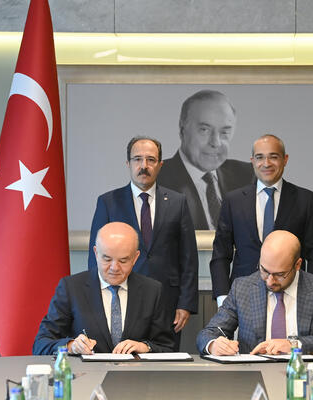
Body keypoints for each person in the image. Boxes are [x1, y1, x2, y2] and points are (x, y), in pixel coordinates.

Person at [87, 137, 198, 350]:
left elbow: (188, 258)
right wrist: (96, 302)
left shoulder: (178, 202)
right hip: (120, 298)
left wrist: (185, 304)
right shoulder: (108, 202)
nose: (144, 166)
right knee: (120, 357)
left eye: (150, 160)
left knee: (162, 358)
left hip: (167, 302)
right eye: (137, 159)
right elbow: (97, 257)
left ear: (160, 164)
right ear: (128, 163)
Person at [210, 134, 313, 305]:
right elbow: (221, 253)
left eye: (273, 157)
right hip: (243, 297)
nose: (266, 163)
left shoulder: (305, 200)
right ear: (252, 161)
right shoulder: (233, 201)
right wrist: (223, 297)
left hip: (292, 296)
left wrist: (312, 296)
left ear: (285, 159)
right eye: (260, 157)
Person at [197, 230, 313, 357]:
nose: (270, 281)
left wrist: (294, 345)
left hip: (304, 376)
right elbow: (208, 333)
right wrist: (213, 345)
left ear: (297, 265)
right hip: (253, 376)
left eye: (279, 274)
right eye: (264, 270)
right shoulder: (242, 288)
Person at [33, 222, 174, 355]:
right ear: (96, 253)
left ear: (135, 258)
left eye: (123, 261)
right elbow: (41, 344)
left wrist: (145, 347)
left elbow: (167, 347)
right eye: (107, 259)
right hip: (86, 372)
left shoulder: (152, 291)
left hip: (135, 372)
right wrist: (71, 346)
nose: (114, 268)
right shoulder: (71, 288)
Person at [157, 90, 255, 230]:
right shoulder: (156, 181)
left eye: (224, 132)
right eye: (204, 130)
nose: (215, 142)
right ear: (182, 129)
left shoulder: (248, 176)